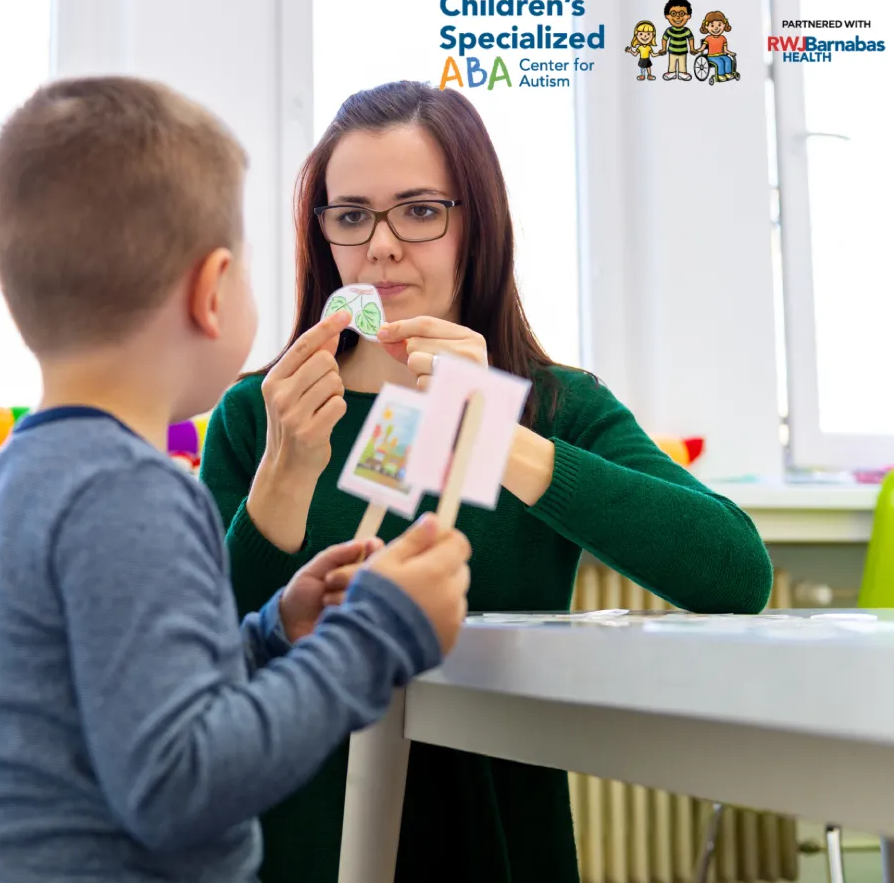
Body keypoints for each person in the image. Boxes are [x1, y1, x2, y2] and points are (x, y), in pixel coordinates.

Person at [200, 80, 774, 883]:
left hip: (496, 842)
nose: (383, 246)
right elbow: (208, 673)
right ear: (321, 232)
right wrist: (284, 480)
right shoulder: (259, 414)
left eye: (421, 210)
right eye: (352, 214)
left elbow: (735, 574)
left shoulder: (560, 406)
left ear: (481, 223)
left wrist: (505, 436)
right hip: (297, 845)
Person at [0, 76, 473, 883]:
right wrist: (381, 631)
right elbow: (180, 783)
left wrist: (270, 633)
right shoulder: (135, 494)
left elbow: (128, 704)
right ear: (211, 290)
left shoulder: (26, 469)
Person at [656, 0, 697, 81]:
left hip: (683, 52)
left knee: (682, 63)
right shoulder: (669, 30)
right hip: (672, 51)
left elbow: (691, 39)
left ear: (688, 16)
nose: (678, 17)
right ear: (667, 16)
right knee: (672, 63)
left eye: (682, 14)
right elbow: (665, 39)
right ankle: (671, 73)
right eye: (673, 14)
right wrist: (663, 48)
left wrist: (692, 48)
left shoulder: (686, 31)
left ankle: (682, 73)